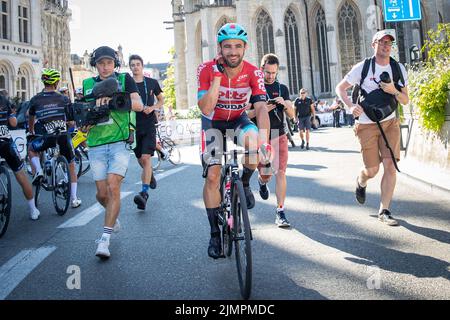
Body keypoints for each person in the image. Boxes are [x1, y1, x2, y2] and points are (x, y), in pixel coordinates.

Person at [197, 23, 272, 259]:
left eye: (237, 46)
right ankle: (214, 234)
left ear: (245, 48)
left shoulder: (253, 72)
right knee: (213, 175)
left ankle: (246, 183)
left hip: (239, 119)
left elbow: (260, 107)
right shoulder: (206, 69)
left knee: (254, 146)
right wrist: (218, 79)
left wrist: (264, 142)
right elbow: (206, 108)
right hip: (212, 123)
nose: (233, 51)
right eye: (227, 46)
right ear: (219, 48)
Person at [336, 30, 409, 226]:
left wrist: (393, 90)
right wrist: (351, 106)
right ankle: (361, 182)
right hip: (367, 124)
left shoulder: (398, 68)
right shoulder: (364, 67)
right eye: (382, 42)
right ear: (373, 45)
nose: (386, 46)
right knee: (372, 169)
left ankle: (384, 211)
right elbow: (340, 88)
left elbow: (405, 100)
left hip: (390, 122)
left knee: (390, 166)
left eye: (389, 43)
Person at [82, 46, 144, 258]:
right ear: (95, 65)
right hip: (96, 143)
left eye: (109, 62)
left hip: (120, 141)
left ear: (115, 64)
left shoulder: (125, 79)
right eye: (101, 63)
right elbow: (82, 115)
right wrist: (86, 118)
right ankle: (112, 215)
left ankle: (105, 240)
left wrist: (115, 100)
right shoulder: (87, 84)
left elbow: (139, 104)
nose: (105, 66)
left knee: (113, 185)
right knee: (101, 194)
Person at [247, 53, 295, 228]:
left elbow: (292, 115)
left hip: (279, 134)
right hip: (259, 136)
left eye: (274, 73)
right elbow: (246, 115)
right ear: (261, 70)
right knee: (266, 174)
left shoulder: (282, 88)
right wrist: (262, 110)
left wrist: (286, 104)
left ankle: (280, 211)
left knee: (281, 172)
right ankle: (261, 181)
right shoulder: (252, 89)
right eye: (267, 72)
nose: (270, 76)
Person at [27, 69, 82, 210]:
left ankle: (38, 170)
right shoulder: (64, 99)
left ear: (44, 82)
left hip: (46, 137)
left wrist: (32, 130)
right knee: (71, 165)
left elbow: (31, 117)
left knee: (32, 149)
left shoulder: (35, 99)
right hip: (62, 136)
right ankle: (74, 199)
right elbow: (71, 123)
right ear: (56, 82)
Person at [129, 54, 165, 210]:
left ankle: (144, 194)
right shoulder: (127, 84)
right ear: (130, 67)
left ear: (142, 66)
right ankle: (149, 175)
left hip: (149, 123)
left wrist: (153, 107)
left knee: (146, 158)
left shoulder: (151, 82)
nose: (135, 67)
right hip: (133, 125)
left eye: (138, 64)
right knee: (141, 160)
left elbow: (161, 100)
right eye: (132, 65)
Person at [0, 92, 40, 220]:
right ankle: (33, 210)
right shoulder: (4, 100)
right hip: (6, 142)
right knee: (21, 175)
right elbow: (13, 123)